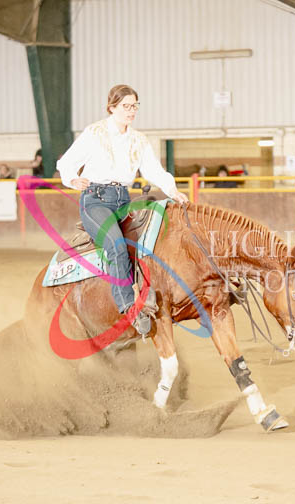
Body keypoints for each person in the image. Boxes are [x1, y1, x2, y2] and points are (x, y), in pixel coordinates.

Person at [56, 84, 188, 336]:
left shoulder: (139, 140)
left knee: (153, 243)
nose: (131, 111)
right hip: (95, 200)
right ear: (112, 107)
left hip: (123, 201)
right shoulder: (94, 133)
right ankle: (129, 307)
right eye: (126, 106)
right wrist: (72, 179)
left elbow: (154, 170)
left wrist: (173, 191)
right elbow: (67, 162)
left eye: (135, 105)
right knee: (116, 245)